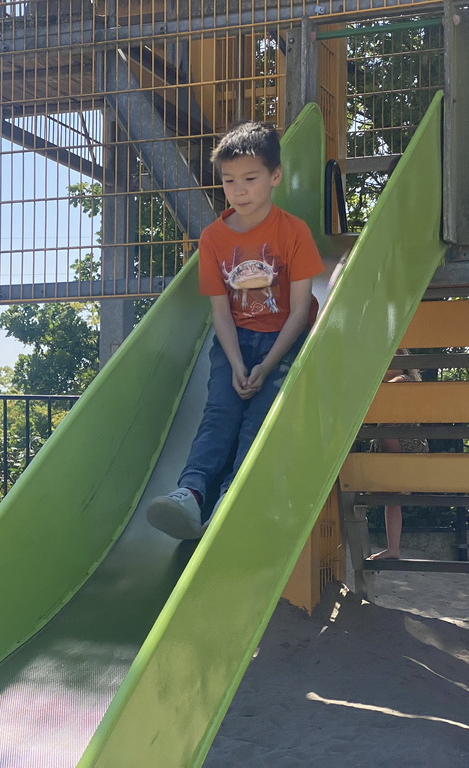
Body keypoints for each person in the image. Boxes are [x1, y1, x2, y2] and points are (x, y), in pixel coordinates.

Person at [146, 121, 323, 540]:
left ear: (274, 177)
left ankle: (232, 498)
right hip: (234, 342)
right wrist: (238, 361)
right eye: (229, 182)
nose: (239, 190)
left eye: (250, 179)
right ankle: (191, 493)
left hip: (282, 339)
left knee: (258, 420)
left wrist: (265, 365)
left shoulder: (293, 232)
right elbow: (220, 312)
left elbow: (299, 312)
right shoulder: (214, 238)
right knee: (220, 414)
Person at [366, 351, 427, 560]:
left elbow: (381, 394)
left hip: (403, 445)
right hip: (395, 445)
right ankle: (393, 548)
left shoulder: (402, 380)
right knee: (393, 502)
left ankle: (393, 548)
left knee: (392, 498)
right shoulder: (397, 381)